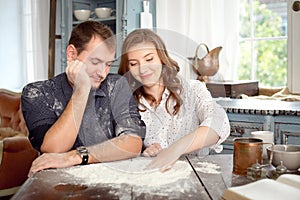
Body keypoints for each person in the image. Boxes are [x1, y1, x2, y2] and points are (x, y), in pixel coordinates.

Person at [21, 21, 146, 175]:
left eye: (108, 64)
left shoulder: (116, 85)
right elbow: (53, 150)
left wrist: (76, 156)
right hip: (58, 186)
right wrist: (81, 91)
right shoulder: (37, 92)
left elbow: (133, 143)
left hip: (112, 179)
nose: (102, 73)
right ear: (71, 54)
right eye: (95, 62)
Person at [118, 29, 230, 171]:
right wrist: (143, 152)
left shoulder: (193, 89)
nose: (143, 69)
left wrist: (176, 149)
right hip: (153, 177)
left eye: (149, 59)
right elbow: (124, 147)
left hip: (196, 176)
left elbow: (219, 123)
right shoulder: (128, 102)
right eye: (134, 63)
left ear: (161, 58)